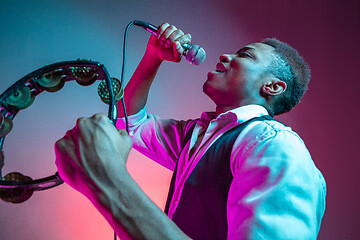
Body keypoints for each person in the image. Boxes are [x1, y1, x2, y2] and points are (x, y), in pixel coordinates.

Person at [55, 23, 326, 239]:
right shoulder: (199, 136)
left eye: (244, 55)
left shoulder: (274, 146)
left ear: (273, 87)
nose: (225, 55)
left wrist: (109, 180)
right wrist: (153, 57)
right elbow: (130, 124)